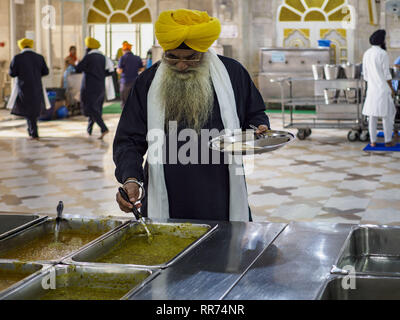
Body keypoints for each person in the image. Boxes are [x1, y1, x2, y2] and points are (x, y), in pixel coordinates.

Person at [114, 9, 270, 222]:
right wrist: (131, 179)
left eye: (191, 58)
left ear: (204, 52)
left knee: (223, 252)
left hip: (221, 195)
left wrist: (258, 129)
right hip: (166, 195)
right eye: (172, 57)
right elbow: (129, 139)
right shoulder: (147, 82)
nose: (181, 65)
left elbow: (255, 114)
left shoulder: (233, 73)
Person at [7, 38, 49, 140]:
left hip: (24, 87)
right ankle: (32, 131)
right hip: (37, 86)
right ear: (31, 45)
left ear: (21, 46)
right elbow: (46, 71)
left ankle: (33, 132)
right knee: (33, 109)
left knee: (28, 110)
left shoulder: (17, 58)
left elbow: (12, 73)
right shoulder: (39, 57)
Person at [362, 29, 397, 147]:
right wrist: (392, 89)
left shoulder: (367, 53)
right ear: (381, 41)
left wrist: (373, 81)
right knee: (387, 115)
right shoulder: (383, 54)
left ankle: (373, 141)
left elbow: (365, 75)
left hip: (371, 89)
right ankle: (388, 141)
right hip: (383, 90)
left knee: (372, 116)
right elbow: (387, 75)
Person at [75, 37, 114, 140]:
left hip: (89, 87)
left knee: (91, 108)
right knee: (96, 108)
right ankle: (89, 130)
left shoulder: (89, 57)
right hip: (100, 87)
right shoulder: (103, 57)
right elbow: (110, 71)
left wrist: (76, 62)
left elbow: (78, 68)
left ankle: (103, 128)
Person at [117, 41, 144, 109]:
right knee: (134, 101)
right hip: (135, 82)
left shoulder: (122, 58)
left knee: (124, 102)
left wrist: (117, 69)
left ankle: (125, 118)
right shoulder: (137, 58)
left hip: (125, 83)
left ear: (123, 50)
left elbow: (120, 71)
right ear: (130, 49)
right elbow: (142, 69)